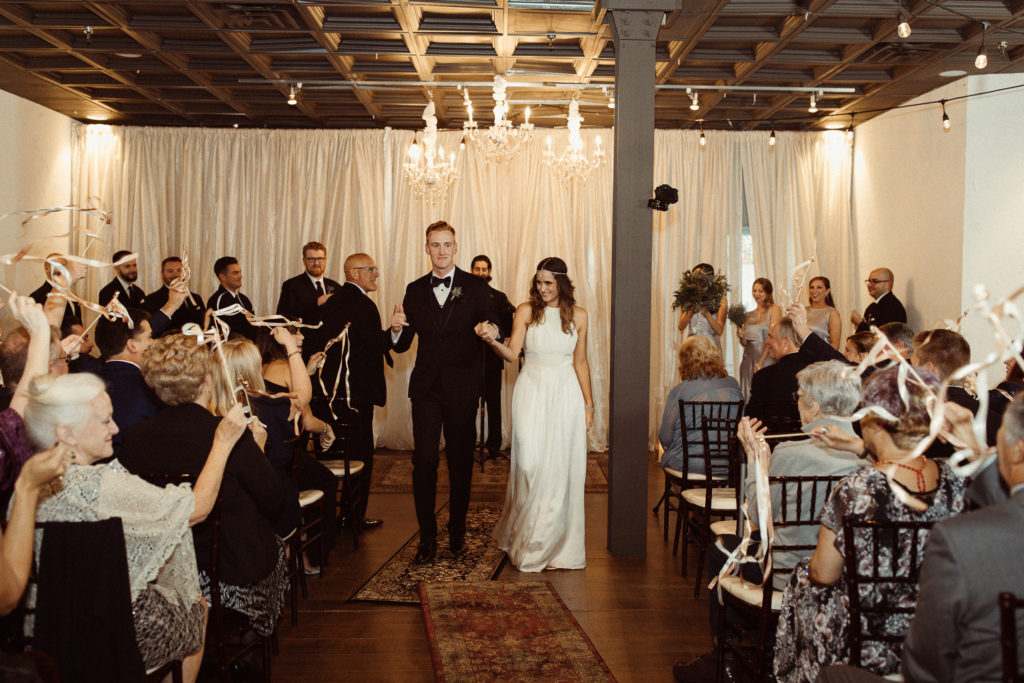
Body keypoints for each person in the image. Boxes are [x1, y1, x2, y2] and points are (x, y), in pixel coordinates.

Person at [23, 372, 250, 681]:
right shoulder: (101, 487)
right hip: (104, 635)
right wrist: (223, 442)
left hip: (39, 630)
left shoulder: (24, 487)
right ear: (67, 433)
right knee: (198, 608)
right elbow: (196, 509)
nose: (115, 429)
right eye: (104, 421)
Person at [674, 360, 868, 682]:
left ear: (815, 405)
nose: (797, 399)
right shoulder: (871, 457)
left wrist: (753, 460)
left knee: (721, 549)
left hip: (790, 573)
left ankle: (729, 655)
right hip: (850, 577)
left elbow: (761, 517)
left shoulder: (790, 453)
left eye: (800, 394)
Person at [773, 366, 965, 682]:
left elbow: (824, 573)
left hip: (864, 634)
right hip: (933, 627)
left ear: (875, 422)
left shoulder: (858, 488)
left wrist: (802, 572)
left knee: (805, 581)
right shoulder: (954, 482)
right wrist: (858, 447)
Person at [817, 394, 1024, 683]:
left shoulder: (963, 541)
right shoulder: (957, 482)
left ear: (1018, 451)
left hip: (891, 642)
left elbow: (924, 667)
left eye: (996, 441)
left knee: (831, 675)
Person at [119, 334, 290, 639]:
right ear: (208, 383)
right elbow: (274, 499)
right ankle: (253, 640)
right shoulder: (228, 433)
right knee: (278, 548)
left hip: (164, 570)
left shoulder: (133, 438)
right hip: (232, 569)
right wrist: (260, 450)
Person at [389, 221, 497, 567]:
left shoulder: (475, 287)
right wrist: (393, 331)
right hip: (426, 389)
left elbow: (493, 321)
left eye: (447, 245)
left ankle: (458, 530)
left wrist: (491, 328)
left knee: (461, 461)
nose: (441, 251)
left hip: (463, 388)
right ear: (426, 249)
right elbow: (404, 342)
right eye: (434, 245)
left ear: (456, 247)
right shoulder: (414, 289)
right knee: (423, 461)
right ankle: (427, 538)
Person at [477, 256, 594, 572]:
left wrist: (588, 405)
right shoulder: (526, 311)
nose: (542, 288)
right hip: (531, 389)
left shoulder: (580, 316)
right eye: (539, 282)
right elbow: (512, 354)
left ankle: (550, 544)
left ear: (561, 284)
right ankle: (524, 530)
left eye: (548, 283)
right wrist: (492, 341)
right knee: (528, 463)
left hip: (566, 393)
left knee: (558, 470)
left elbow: (580, 363)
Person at [211, 332, 337, 567]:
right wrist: (291, 348)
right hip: (270, 508)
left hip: (219, 515)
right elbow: (302, 398)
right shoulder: (274, 405)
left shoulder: (209, 412)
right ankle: (297, 561)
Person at [306, 252, 393, 531]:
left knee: (330, 456)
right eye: (372, 268)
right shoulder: (364, 306)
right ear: (354, 273)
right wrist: (395, 331)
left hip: (326, 397)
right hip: (357, 396)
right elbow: (375, 346)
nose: (376, 273)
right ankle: (353, 517)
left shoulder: (330, 304)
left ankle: (327, 518)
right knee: (361, 457)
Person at [658, 335, 741, 474]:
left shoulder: (679, 392)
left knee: (667, 457)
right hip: (729, 461)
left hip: (689, 463)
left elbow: (665, 437)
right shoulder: (733, 385)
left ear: (685, 361)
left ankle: (684, 495)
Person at [95, 308, 160, 455]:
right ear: (132, 345)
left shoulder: (86, 386)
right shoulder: (153, 389)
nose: (154, 343)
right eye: (149, 337)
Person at [471, 255, 516, 458]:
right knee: (468, 405)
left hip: (492, 360)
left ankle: (494, 446)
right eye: (477, 269)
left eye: (484, 269)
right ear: (471, 270)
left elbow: (506, 330)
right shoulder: (462, 295)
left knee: (494, 405)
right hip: (468, 361)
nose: (481, 273)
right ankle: (466, 442)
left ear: (490, 272)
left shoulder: (499, 297)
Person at [737, 277, 782, 401]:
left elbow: (773, 336)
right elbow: (744, 343)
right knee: (748, 396)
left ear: (768, 292)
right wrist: (740, 334)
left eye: (760, 291)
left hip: (766, 359)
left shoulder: (775, 309)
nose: (756, 294)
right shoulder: (747, 315)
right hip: (747, 360)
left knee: (766, 395)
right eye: (754, 290)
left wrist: (761, 362)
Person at [276, 241, 341, 326]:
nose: (316, 263)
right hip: (303, 337)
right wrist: (317, 302)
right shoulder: (291, 285)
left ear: (325, 260)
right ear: (304, 261)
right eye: (311, 259)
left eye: (320, 259)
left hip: (332, 338)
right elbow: (283, 316)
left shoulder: (336, 286)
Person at [145, 256, 205, 334]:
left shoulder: (196, 298)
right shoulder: (152, 299)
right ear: (162, 274)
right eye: (170, 271)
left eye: (179, 270)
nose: (176, 274)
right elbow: (151, 329)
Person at [677, 263, 727, 353]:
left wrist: (707, 314)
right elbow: (681, 326)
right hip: (692, 348)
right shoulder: (688, 297)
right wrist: (692, 309)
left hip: (711, 349)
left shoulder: (720, 298)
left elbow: (719, 331)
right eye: (694, 276)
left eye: (700, 276)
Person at [206, 256, 256, 341]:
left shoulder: (244, 299)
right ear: (222, 277)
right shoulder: (217, 300)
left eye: (240, 272)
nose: (240, 276)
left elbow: (254, 325)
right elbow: (226, 332)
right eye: (235, 273)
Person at [30, 254, 83, 331]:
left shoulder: (73, 296)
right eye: (59, 265)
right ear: (47, 268)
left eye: (66, 266)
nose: (64, 269)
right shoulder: (36, 296)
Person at [852, 268, 907, 333]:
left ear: (887, 285)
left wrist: (860, 324)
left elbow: (884, 338)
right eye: (869, 281)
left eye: (875, 281)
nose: (869, 284)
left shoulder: (893, 307)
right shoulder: (872, 307)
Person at [807, 276, 841, 350]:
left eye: (819, 287)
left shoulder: (832, 313)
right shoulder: (803, 311)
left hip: (821, 359)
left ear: (827, 291)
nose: (814, 291)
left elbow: (835, 346)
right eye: (812, 287)